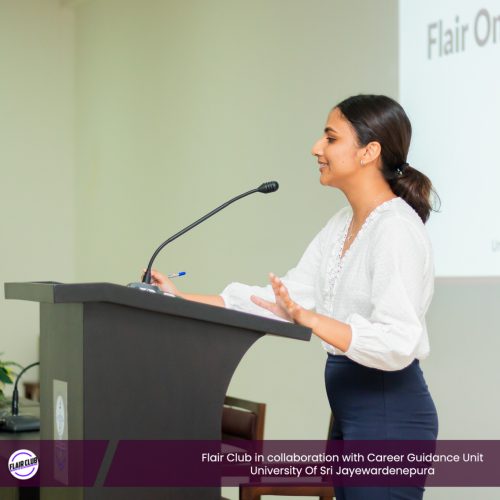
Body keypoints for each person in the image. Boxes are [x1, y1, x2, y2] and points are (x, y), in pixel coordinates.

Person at [150, 94, 439, 500]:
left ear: (369, 152)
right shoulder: (341, 225)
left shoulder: (395, 230)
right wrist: (181, 299)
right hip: (352, 410)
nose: (316, 148)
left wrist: (312, 319)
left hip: (389, 414)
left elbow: (397, 341)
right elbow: (281, 302)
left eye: (331, 138)